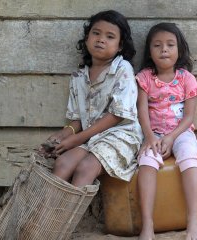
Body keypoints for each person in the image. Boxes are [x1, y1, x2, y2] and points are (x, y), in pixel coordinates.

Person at [40, 10, 142, 187]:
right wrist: (63, 135)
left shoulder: (122, 69)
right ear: (87, 38)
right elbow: (78, 119)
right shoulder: (78, 76)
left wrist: (77, 139)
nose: (101, 39)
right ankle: (49, 214)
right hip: (91, 137)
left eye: (110, 36)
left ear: (120, 46)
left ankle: (71, 215)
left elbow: (117, 115)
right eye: (96, 33)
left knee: (85, 168)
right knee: (62, 163)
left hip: (121, 135)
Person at [135, 22, 197, 240]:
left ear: (179, 50)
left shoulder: (186, 78)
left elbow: (189, 117)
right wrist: (150, 137)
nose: (164, 49)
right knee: (146, 161)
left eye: (170, 45)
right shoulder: (144, 78)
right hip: (153, 133)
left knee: (189, 157)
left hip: (180, 133)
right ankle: (148, 224)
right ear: (150, 51)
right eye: (157, 45)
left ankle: (193, 221)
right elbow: (142, 111)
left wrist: (172, 137)